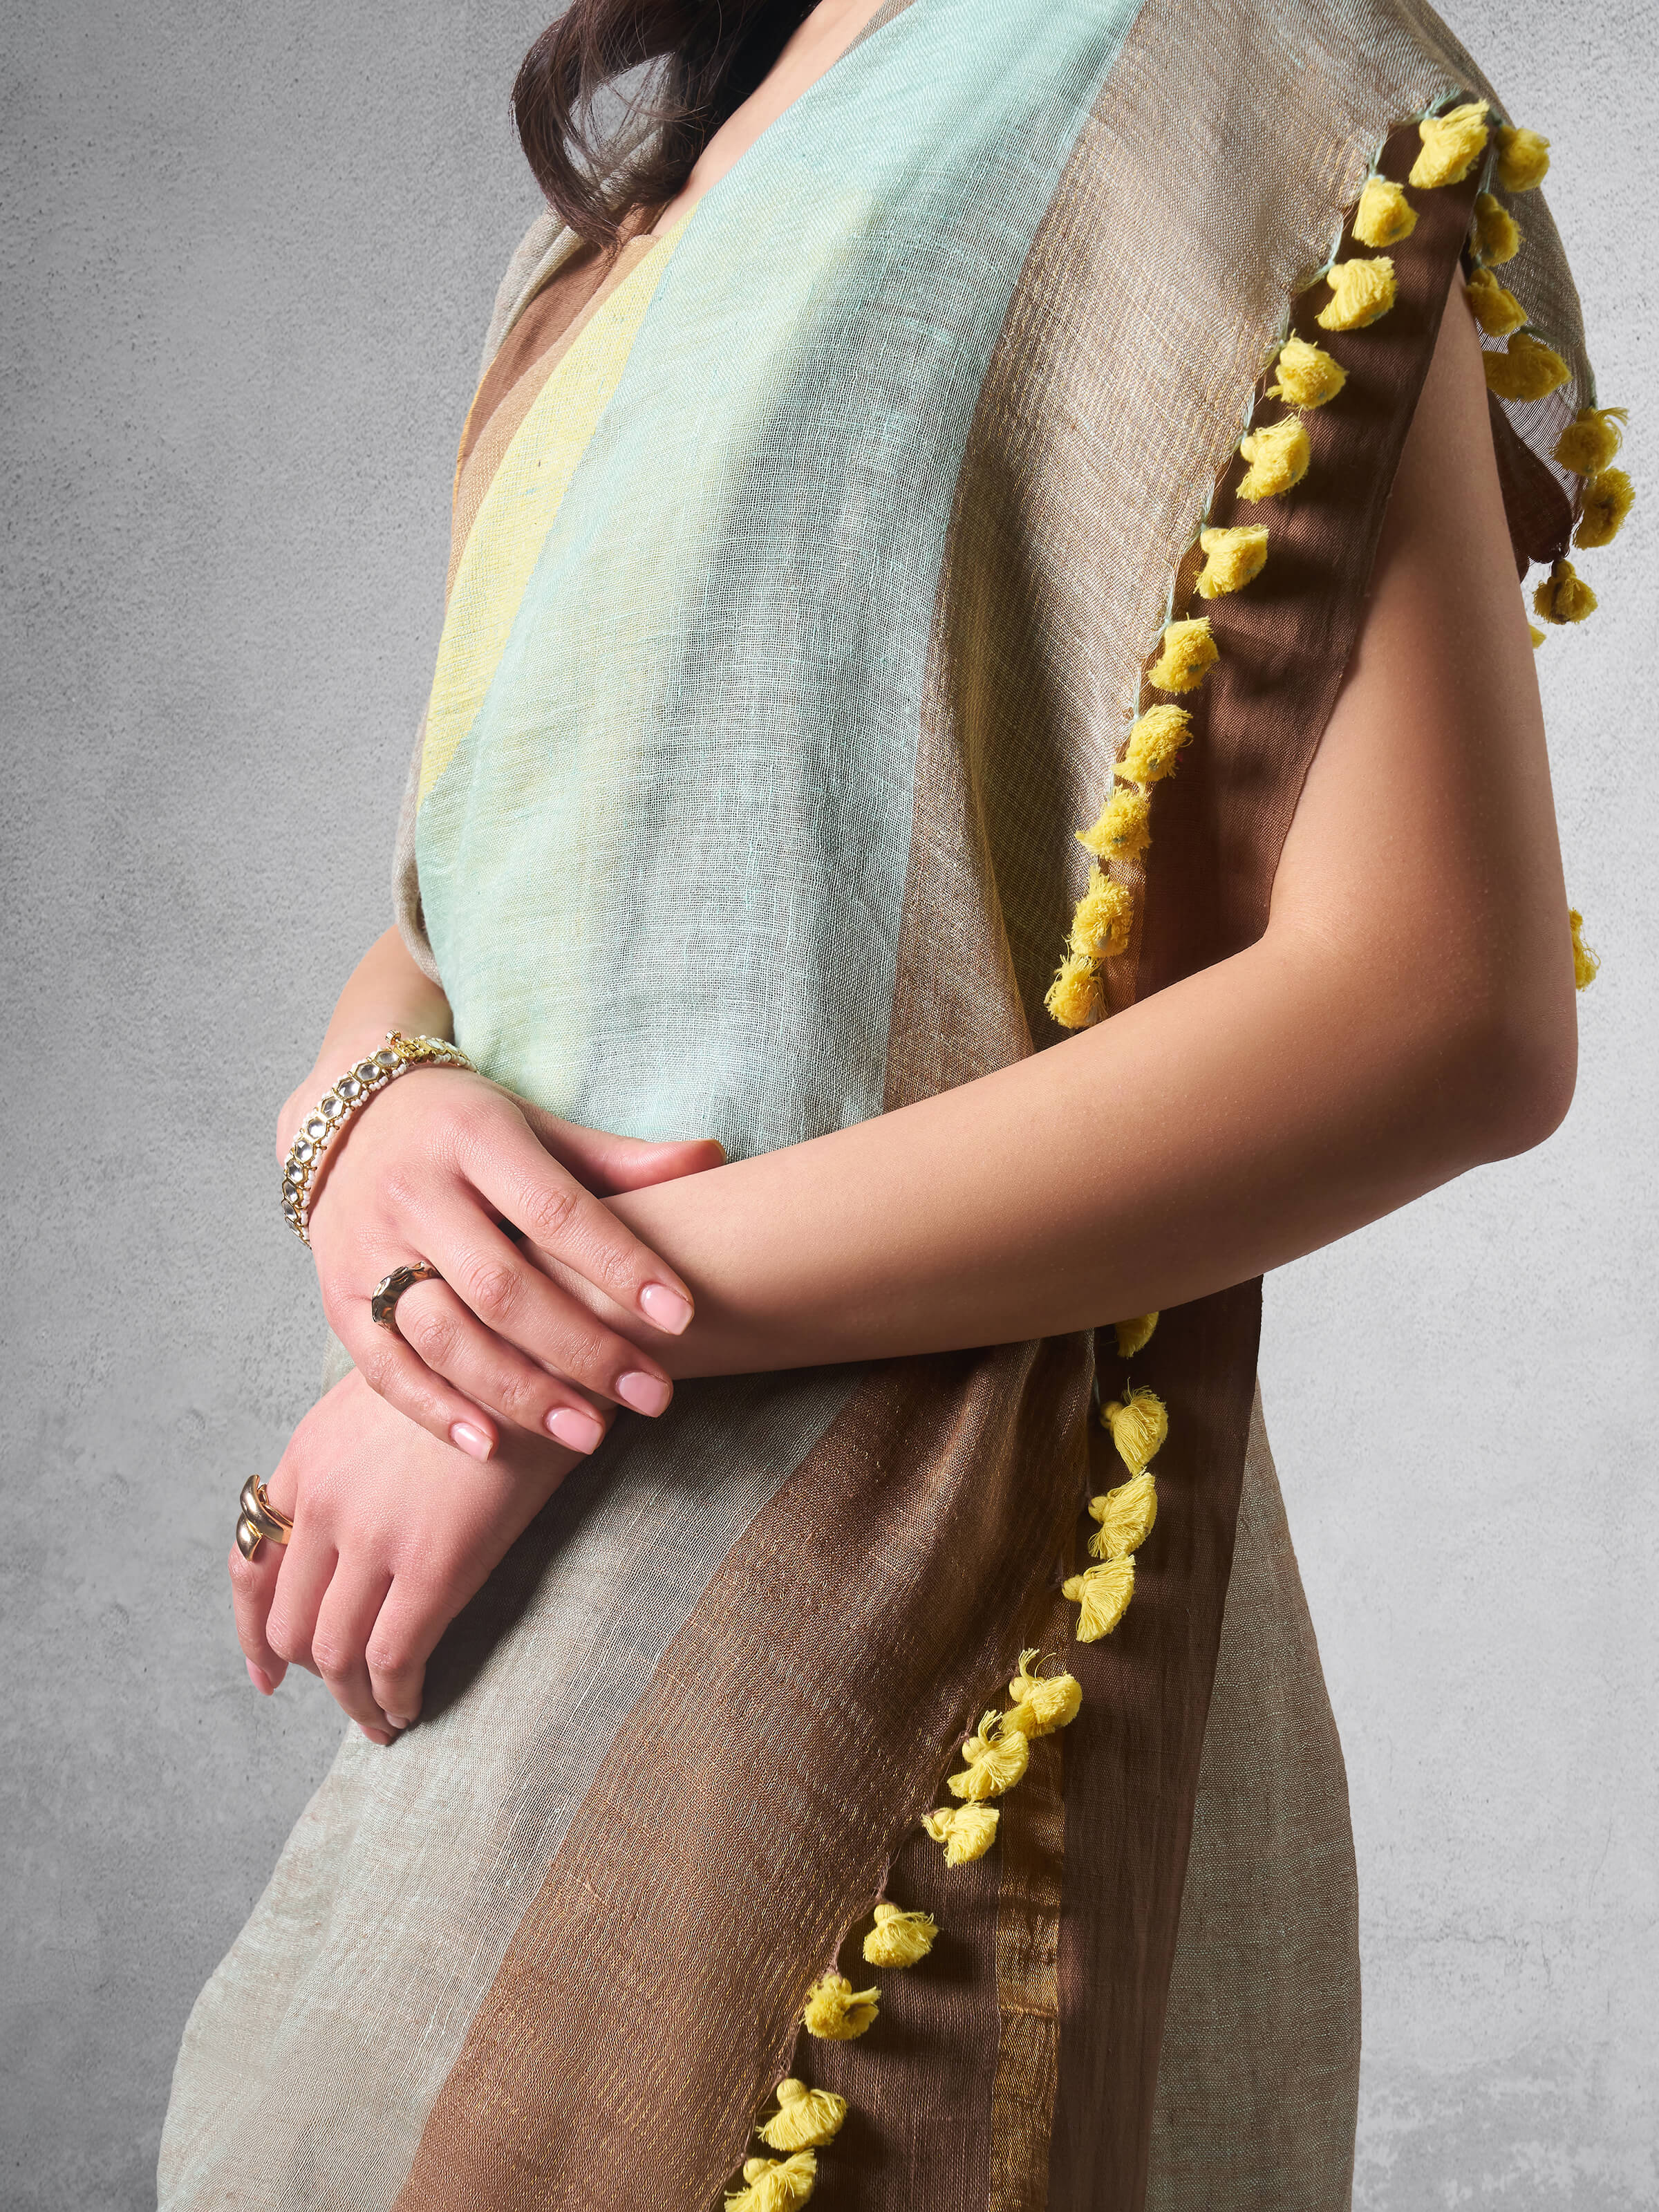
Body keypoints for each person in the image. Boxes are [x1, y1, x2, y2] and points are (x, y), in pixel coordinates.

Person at [160, 0, 1628, 2204]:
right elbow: (476, 913)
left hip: (896, 1670)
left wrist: (562, 1336)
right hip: (478, 1721)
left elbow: (1439, 1002)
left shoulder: (1230, 67)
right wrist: (358, 1108)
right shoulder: (613, 225)